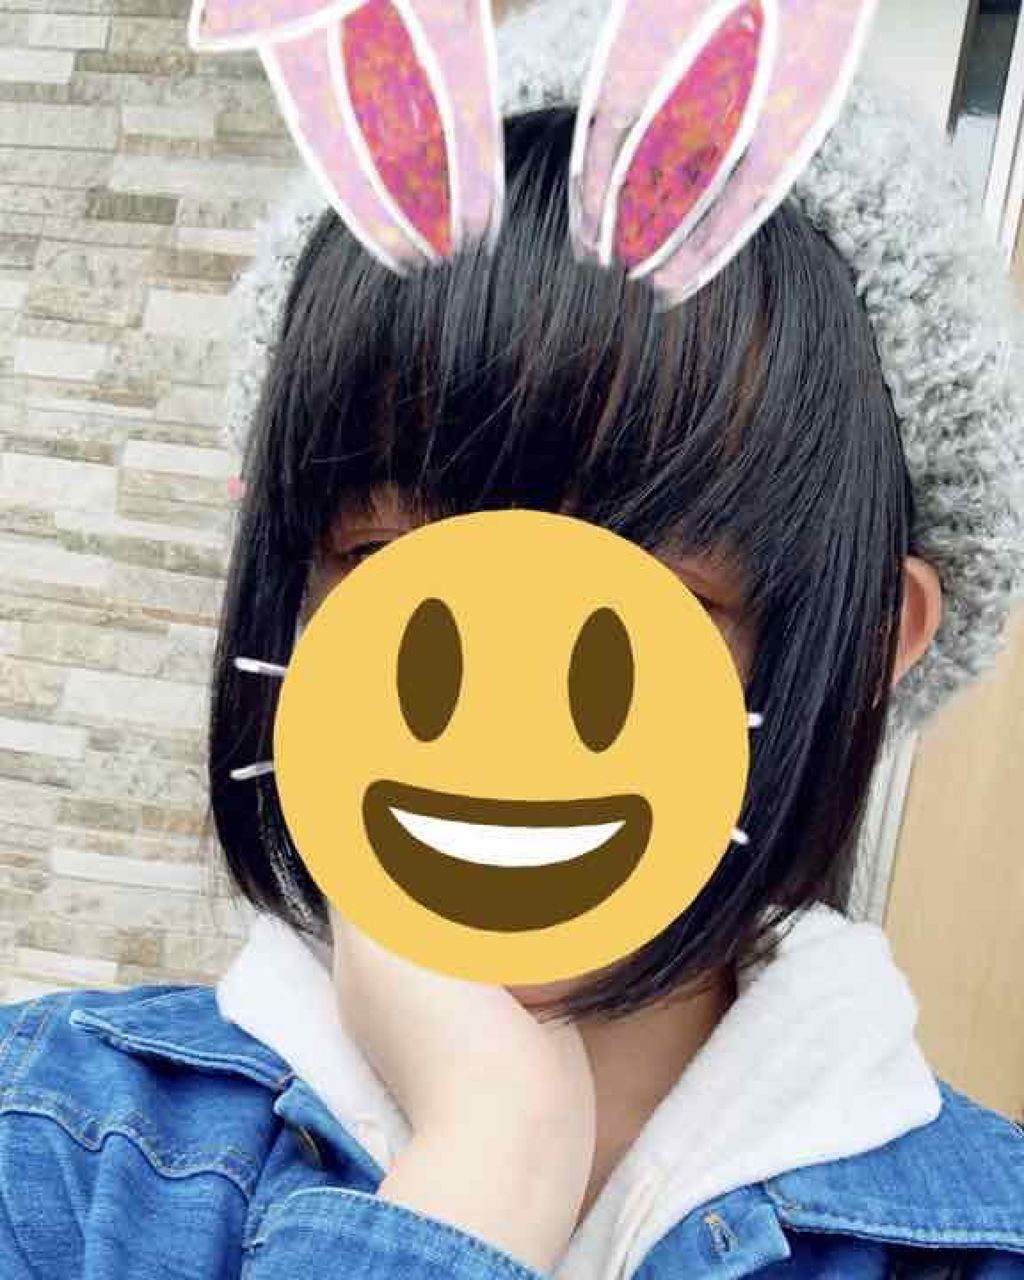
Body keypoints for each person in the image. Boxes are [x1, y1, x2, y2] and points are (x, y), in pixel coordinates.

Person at [2, 3, 1023, 1277]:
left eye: (656, 597)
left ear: (869, 641)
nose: (492, 706)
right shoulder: (54, 1140)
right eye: (387, 560)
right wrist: (487, 1158)